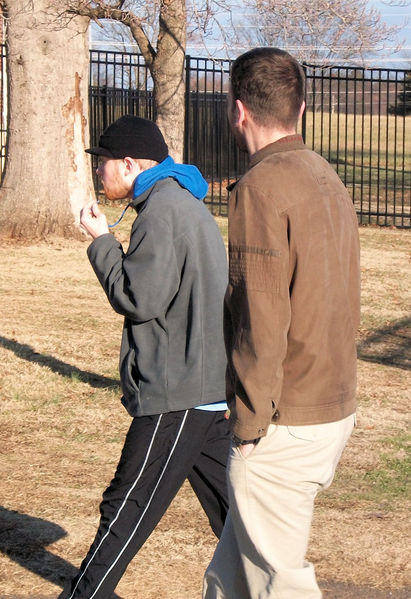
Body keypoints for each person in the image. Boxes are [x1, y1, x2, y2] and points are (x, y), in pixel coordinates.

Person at [203, 48, 361, 599]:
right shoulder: (324, 175)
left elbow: (260, 318)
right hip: (329, 405)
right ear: (301, 108)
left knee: (278, 586)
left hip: (283, 420)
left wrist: (249, 426)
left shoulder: (262, 187)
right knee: (229, 580)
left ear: (238, 110)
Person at [59, 115, 230, 599]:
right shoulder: (179, 201)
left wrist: (101, 241)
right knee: (241, 518)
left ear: (130, 164)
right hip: (205, 388)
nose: (100, 172)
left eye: (104, 163)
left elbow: (138, 297)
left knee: (126, 508)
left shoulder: (161, 211)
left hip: (177, 391)